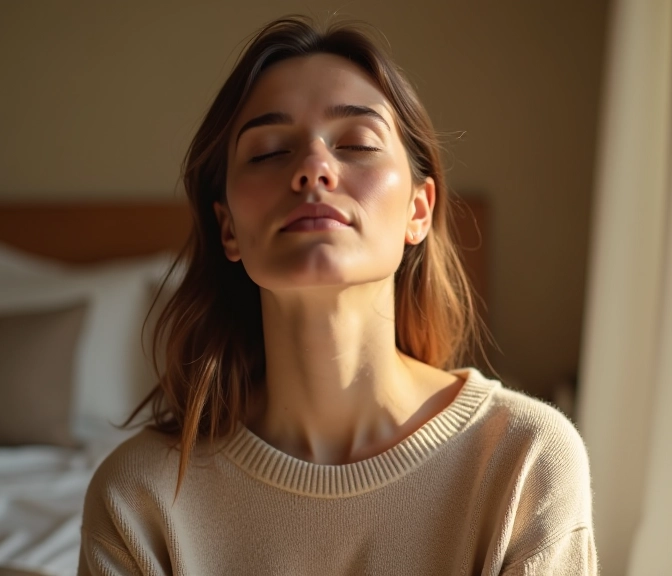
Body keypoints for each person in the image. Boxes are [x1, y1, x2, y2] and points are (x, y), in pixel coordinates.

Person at [79, 15, 597, 576]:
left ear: (418, 211)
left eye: (356, 144)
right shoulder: (139, 498)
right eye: (270, 152)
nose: (313, 169)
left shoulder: (524, 461)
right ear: (228, 228)